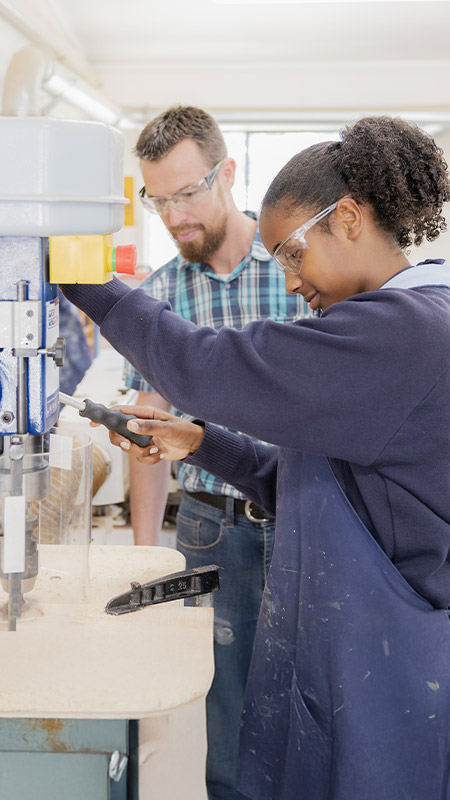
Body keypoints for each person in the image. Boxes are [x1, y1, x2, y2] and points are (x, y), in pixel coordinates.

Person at [62, 115, 450, 800]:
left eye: (296, 253)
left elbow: (204, 365)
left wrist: (71, 271)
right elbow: (308, 482)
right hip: (349, 646)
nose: (293, 280)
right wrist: (202, 442)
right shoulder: (389, 319)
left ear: (351, 218)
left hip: (389, 665)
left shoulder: (405, 330)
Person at [122, 105, 311, 799]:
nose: (173, 217)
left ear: (227, 173)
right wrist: (146, 559)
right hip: (210, 526)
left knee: (310, 704)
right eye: (159, 200)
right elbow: (150, 435)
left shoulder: (302, 265)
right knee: (226, 716)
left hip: (304, 518)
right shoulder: (161, 297)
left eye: (188, 193)